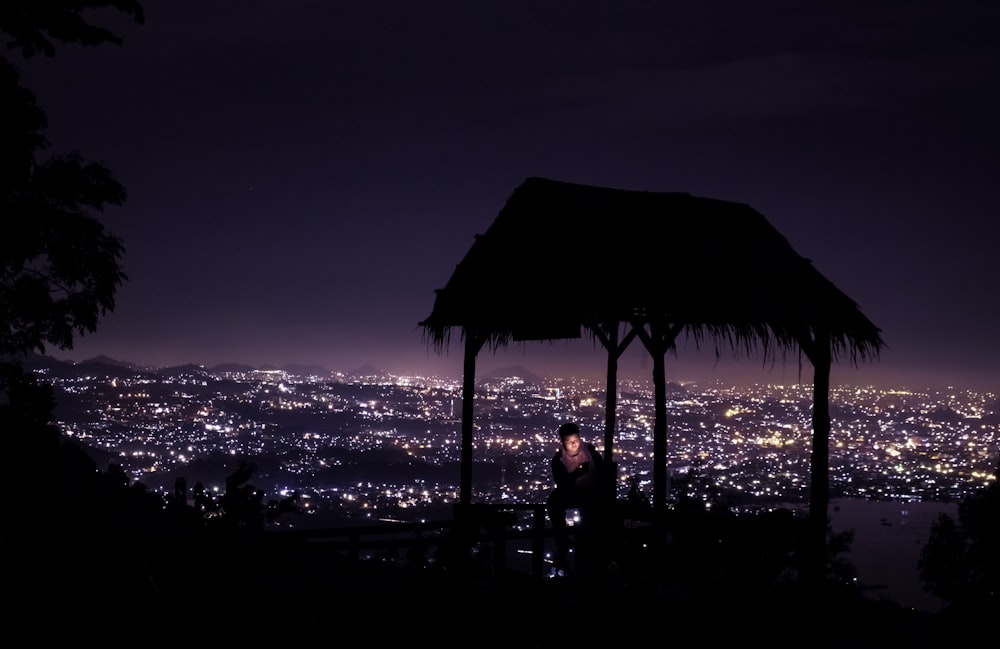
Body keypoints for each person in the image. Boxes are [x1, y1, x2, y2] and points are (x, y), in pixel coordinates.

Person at [546, 421, 607, 575]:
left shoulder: (590, 454)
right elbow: (561, 483)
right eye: (569, 442)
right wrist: (577, 474)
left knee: (591, 512)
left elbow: (602, 472)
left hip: (591, 495)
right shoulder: (558, 460)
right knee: (553, 502)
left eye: (576, 441)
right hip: (570, 494)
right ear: (562, 442)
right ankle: (562, 539)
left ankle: (589, 543)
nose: (573, 445)